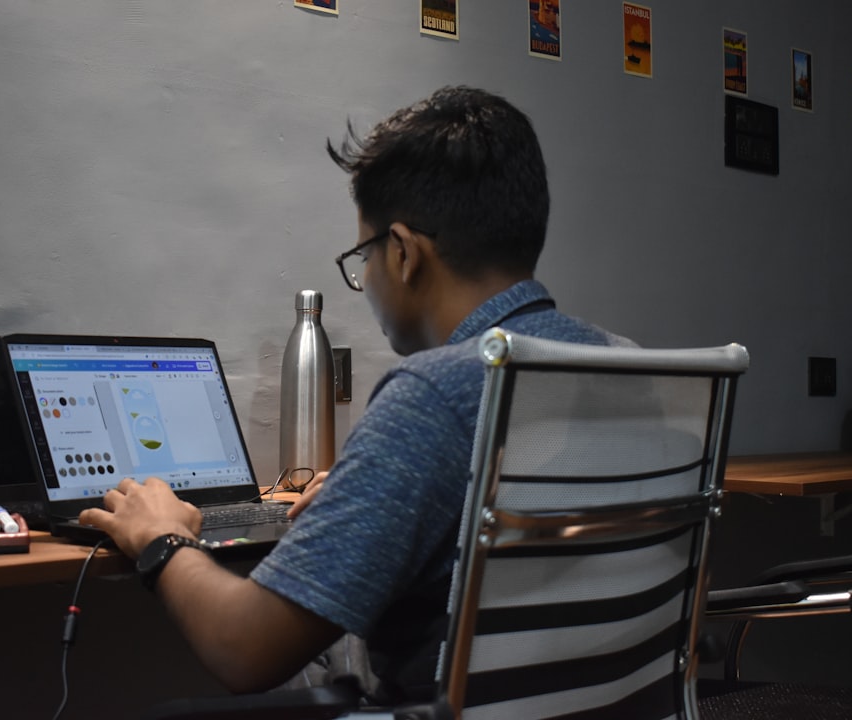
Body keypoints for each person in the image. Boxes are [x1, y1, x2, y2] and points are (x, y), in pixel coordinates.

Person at [79, 85, 626, 703]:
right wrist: (363, 494)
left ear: (403, 253)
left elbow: (243, 648)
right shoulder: (626, 365)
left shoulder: (432, 396)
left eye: (362, 255)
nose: (363, 278)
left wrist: (161, 538)